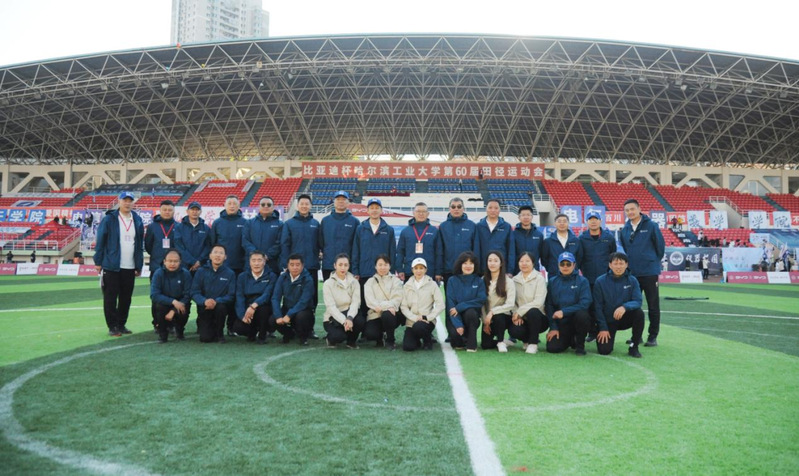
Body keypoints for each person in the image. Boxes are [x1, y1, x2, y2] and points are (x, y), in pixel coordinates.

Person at [94, 191, 144, 337]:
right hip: (112, 265)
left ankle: (121, 324)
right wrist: (98, 261)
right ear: (119, 202)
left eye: (130, 200)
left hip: (130, 265)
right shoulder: (109, 219)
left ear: (133, 202)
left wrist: (139, 264)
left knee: (126, 298)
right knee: (110, 297)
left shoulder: (137, 219)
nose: (127, 203)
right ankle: (112, 326)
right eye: (124, 200)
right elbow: (101, 240)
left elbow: (139, 244)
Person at [619, 199, 665, 347]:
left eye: (632, 209)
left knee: (653, 305)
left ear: (639, 209)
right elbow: (626, 250)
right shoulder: (624, 230)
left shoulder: (651, 226)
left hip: (650, 272)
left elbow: (660, 248)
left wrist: (651, 262)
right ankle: (636, 336)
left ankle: (653, 336)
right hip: (632, 274)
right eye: (627, 210)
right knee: (634, 305)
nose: (630, 212)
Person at [593, 252, 645, 358]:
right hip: (608, 321)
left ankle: (634, 346)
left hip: (624, 318)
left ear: (626, 265)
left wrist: (624, 307)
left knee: (639, 313)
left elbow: (638, 301)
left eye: (621, 263)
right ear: (610, 265)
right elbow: (597, 307)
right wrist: (603, 328)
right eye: (615, 264)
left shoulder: (632, 280)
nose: (618, 267)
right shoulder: (600, 281)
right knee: (604, 350)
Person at [578, 210, 617, 342]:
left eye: (596, 219)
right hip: (588, 279)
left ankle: (604, 329)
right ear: (587, 222)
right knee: (590, 306)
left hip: (605, 279)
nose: (593, 222)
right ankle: (592, 332)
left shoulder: (609, 238)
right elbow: (580, 258)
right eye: (590, 219)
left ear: (600, 221)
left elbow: (613, 256)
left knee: (604, 305)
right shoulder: (582, 238)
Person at [145, 200, 183, 329]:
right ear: (160, 211)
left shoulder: (178, 226)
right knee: (157, 297)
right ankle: (157, 323)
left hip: (175, 269)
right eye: (164, 210)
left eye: (170, 210)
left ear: (174, 211)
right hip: (157, 267)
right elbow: (148, 246)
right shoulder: (152, 227)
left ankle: (172, 323)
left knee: (174, 296)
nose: (167, 212)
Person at [352, 197, 396, 308]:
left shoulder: (389, 230)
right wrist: (355, 271)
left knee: (383, 303)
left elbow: (392, 252)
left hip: (383, 273)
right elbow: (356, 251)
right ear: (367, 210)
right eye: (372, 208)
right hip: (365, 272)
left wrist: (391, 271)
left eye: (377, 208)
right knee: (364, 304)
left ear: (381, 210)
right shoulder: (360, 229)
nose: (374, 210)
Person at [281, 194, 321, 314]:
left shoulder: (316, 224)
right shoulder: (289, 224)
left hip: (311, 266)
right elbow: (284, 245)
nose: (304, 206)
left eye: (306, 204)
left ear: (311, 206)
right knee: (293, 296)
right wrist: (286, 264)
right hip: (294, 268)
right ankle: (290, 320)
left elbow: (320, 244)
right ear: (297, 206)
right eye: (302, 204)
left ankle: (310, 321)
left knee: (312, 296)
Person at [545, 252, 591, 355]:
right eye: (562, 264)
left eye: (568, 264)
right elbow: (549, 305)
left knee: (582, 315)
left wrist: (564, 311)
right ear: (558, 265)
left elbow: (585, 303)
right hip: (561, 323)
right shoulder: (552, 282)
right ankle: (570, 339)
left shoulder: (583, 281)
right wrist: (553, 328)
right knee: (553, 348)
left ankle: (580, 345)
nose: (565, 267)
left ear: (574, 265)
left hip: (576, 320)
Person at [190, 244, 236, 343]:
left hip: (220, 307)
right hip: (205, 307)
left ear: (225, 257)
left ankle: (220, 333)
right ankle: (207, 327)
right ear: (210, 255)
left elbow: (231, 295)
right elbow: (194, 292)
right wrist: (204, 301)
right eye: (215, 252)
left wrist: (216, 301)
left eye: (221, 253)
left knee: (221, 308)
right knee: (205, 338)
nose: (218, 255)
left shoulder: (230, 273)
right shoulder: (201, 271)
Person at [399, 258, 444, 351]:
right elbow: (403, 307)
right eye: (416, 268)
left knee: (419, 327)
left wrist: (428, 317)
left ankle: (428, 341)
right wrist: (415, 318)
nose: (418, 271)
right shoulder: (407, 286)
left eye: (421, 268)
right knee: (408, 347)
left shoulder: (432, 284)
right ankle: (417, 340)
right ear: (412, 270)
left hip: (427, 321)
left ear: (425, 269)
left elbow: (440, 305)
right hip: (412, 321)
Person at [446, 251, 487, 352]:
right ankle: (461, 338)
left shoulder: (479, 281)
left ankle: (471, 345)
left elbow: (481, 299)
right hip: (455, 317)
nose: (468, 266)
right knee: (457, 341)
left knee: (471, 312)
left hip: (471, 318)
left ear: (475, 265)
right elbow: (451, 305)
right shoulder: (452, 280)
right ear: (460, 265)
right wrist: (458, 325)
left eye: (471, 263)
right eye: (465, 263)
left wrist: (461, 306)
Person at [270, 253, 315, 345]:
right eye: (292, 265)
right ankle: (288, 334)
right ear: (288, 266)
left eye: (297, 265)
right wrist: (278, 316)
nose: (295, 267)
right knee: (272, 319)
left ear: (302, 266)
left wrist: (289, 315)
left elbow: (303, 302)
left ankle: (303, 337)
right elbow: (275, 298)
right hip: (287, 308)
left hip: (303, 310)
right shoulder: (282, 277)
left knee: (301, 317)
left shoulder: (308, 279)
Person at [233, 251, 277, 344]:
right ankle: (252, 332)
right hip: (247, 308)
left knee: (263, 310)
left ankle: (262, 335)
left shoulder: (272, 276)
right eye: (253, 260)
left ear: (264, 262)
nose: (256, 263)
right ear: (249, 262)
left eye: (259, 260)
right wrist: (242, 316)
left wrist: (253, 306)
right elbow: (239, 297)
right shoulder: (242, 276)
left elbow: (267, 294)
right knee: (238, 328)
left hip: (263, 307)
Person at [150, 248, 192, 343]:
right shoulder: (158, 273)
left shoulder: (185, 274)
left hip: (180, 303)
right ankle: (162, 333)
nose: (172, 264)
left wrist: (174, 310)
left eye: (175, 261)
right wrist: (173, 302)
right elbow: (154, 295)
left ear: (180, 262)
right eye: (170, 261)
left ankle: (179, 330)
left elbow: (188, 295)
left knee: (184, 306)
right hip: (165, 303)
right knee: (159, 305)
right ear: (164, 261)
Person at [322, 253, 364, 348]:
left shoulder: (354, 282)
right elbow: (331, 307)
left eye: (345, 265)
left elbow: (355, 302)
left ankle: (351, 341)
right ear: (335, 266)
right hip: (333, 317)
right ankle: (330, 339)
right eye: (340, 265)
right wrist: (344, 321)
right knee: (339, 337)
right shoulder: (327, 284)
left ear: (349, 266)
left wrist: (349, 318)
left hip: (349, 314)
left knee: (360, 321)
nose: (343, 268)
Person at [510, 252, 549, 354]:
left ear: (533, 263)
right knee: (514, 331)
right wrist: (516, 313)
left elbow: (538, 302)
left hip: (539, 318)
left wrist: (520, 312)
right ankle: (526, 341)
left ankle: (533, 343)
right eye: (521, 261)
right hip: (521, 318)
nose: (524, 264)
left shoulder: (539, 278)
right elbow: (512, 301)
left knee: (533, 312)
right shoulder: (514, 280)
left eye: (527, 261)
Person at [363, 254, 404, 350]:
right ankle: (380, 337)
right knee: (370, 334)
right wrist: (386, 306)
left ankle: (390, 340)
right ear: (375, 266)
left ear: (390, 266)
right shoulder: (370, 282)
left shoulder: (396, 281)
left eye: (385, 265)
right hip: (375, 314)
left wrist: (384, 307)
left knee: (387, 314)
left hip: (391, 314)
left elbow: (397, 299)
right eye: (380, 265)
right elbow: (370, 301)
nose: (383, 268)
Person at [436, 197, 476, 292]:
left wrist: (475, 269)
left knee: (467, 297)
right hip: (449, 270)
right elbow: (439, 250)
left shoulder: (472, 225)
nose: (456, 209)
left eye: (459, 206)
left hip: (467, 270)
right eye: (453, 207)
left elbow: (475, 249)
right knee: (450, 298)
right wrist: (438, 271)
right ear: (449, 209)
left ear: (463, 208)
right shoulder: (443, 226)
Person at [480, 250, 516, 353]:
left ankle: (500, 342)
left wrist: (493, 311)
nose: (492, 263)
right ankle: (504, 341)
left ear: (501, 263)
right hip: (488, 318)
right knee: (486, 345)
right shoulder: (483, 280)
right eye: (490, 260)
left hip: (504, 317)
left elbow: (510, 304)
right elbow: (481, 303)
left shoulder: (508, 281)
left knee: (498, 315)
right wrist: (485, 321)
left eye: (496, 261)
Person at [319, 191, 359, 281]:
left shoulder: (354, 221)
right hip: (329, 265)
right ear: (334, 202)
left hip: (348, 267)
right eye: (338, 199)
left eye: (344, 199)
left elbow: (356, 245)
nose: (341, 201)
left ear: (348, 202)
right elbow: (321, 242)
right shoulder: (325, 221)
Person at [396, 202, 440, 281]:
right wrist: (400, 269)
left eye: (423, 211)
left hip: (429, 272)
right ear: (413, 213)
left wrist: (438, 271)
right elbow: (400, 252)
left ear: (428, 214)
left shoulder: (434, 231)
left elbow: (438, 253)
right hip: (410, 271)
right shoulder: (405, 231)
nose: (421, 214)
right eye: (418, 211)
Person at [242, 196, 283, 275]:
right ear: (259, 206)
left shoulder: (280, 224)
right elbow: (245, 241)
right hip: (252, 264)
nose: (266, 206)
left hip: (272, 265)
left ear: (273, 207)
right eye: (263, 204)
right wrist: (256, 256)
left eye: (269, 205)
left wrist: (267, 256)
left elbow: (280, 243)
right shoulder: (249, 223)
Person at [473, 199, 514, 274]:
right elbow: (476, 249)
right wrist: (476, 269)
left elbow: (511, 250)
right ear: (486, 209)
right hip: (483, 269)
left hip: (501, 269)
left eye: (496, 208)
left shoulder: (506, 227)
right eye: (490, 207)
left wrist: (510, 270)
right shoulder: (478, 226)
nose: (493, 210)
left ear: (500, 209)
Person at [211, 195, 247, 275]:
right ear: (224, 205)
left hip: (240, 265)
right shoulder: (217, 223)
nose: (232, 206)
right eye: (229, 203)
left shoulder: (245, 222)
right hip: (221, 264)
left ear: (239, 205)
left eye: (234, 203)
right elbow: (212, 243)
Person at [541, 213, 583, 278]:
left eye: (564, 221)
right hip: (554, 276)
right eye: (559, 221)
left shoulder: (576, 240)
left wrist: (573, 268)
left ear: (568, 223)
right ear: (555, 224)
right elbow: (544, 259)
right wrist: (552, 269)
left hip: (573, 276)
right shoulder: (548, 241)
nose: (562, 223)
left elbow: (579, 258)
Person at [177, 201, 211, 274]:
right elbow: (179, 247)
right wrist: (192, 261)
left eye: (197, 210)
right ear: (187, 211)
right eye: (192, 209)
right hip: (184, 266)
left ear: (200, 212)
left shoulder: (206, 228)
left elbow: (208, 246)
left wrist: (199, 261)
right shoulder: (179, 227)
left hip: (201, 266)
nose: (194, 212)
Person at [511, 205, 543, 274]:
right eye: (523, 215)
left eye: (528, 215)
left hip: (534, 272)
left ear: (532, 217)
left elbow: (542, 255)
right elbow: (511, 254)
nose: (526, 217)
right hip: (518, 272)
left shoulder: (539, 235)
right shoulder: (513, 234)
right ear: (519, 217)